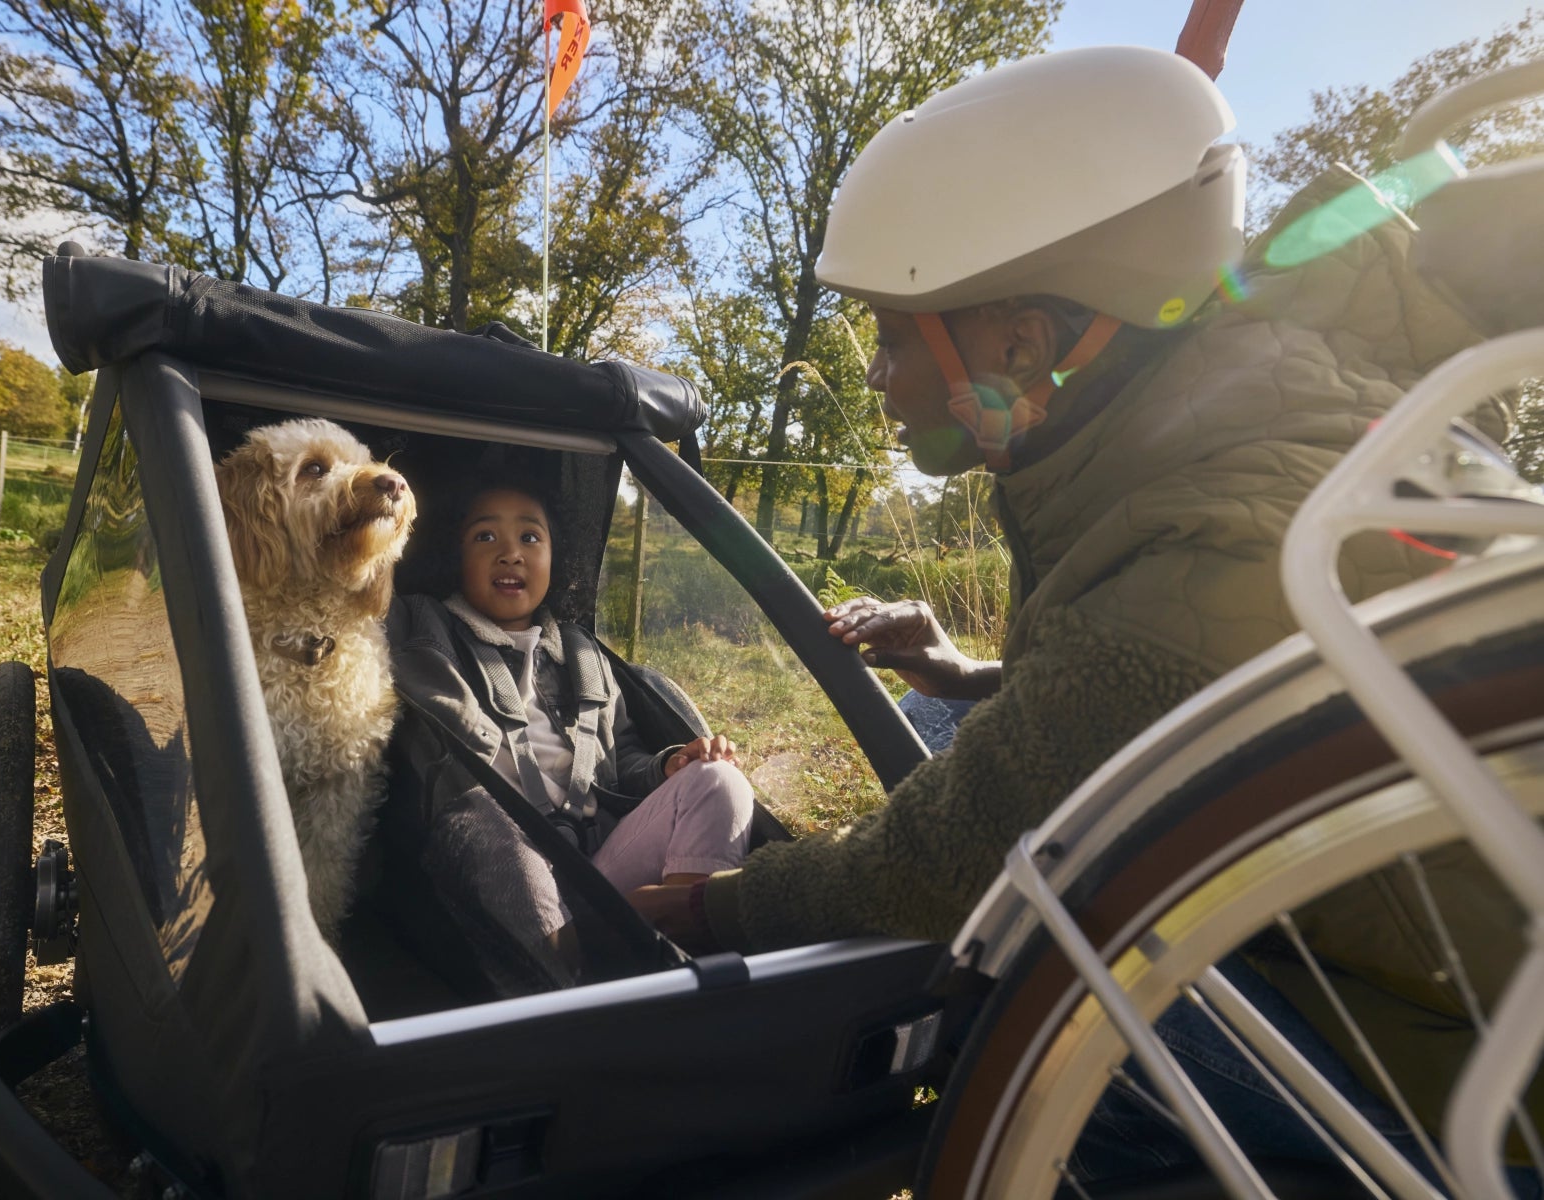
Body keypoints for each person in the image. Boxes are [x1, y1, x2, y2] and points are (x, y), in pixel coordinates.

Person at [626, 44, 1530, 1184]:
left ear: (1021, 345)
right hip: (1420, 968)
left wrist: (712, 912)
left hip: (1470, 1091)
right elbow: (1213, 705)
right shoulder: (1231, 418)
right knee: (961, 751)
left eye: (897, 335)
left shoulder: (1209, 521)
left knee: (1023, 979)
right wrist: (966, 678)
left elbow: (955, 856)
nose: (875, 376)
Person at [385, 480, 756, 989]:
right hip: (496, 854)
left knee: (721, 781)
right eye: (485, 538)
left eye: (531, 539)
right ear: (456, 556)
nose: (511, 553)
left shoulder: (583, 653)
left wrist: (669, 766)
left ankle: (676, 954)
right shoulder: (421, 622)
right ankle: (578, 992)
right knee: (486, 823)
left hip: (596, 860)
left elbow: (621, 756)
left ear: (555, 559)